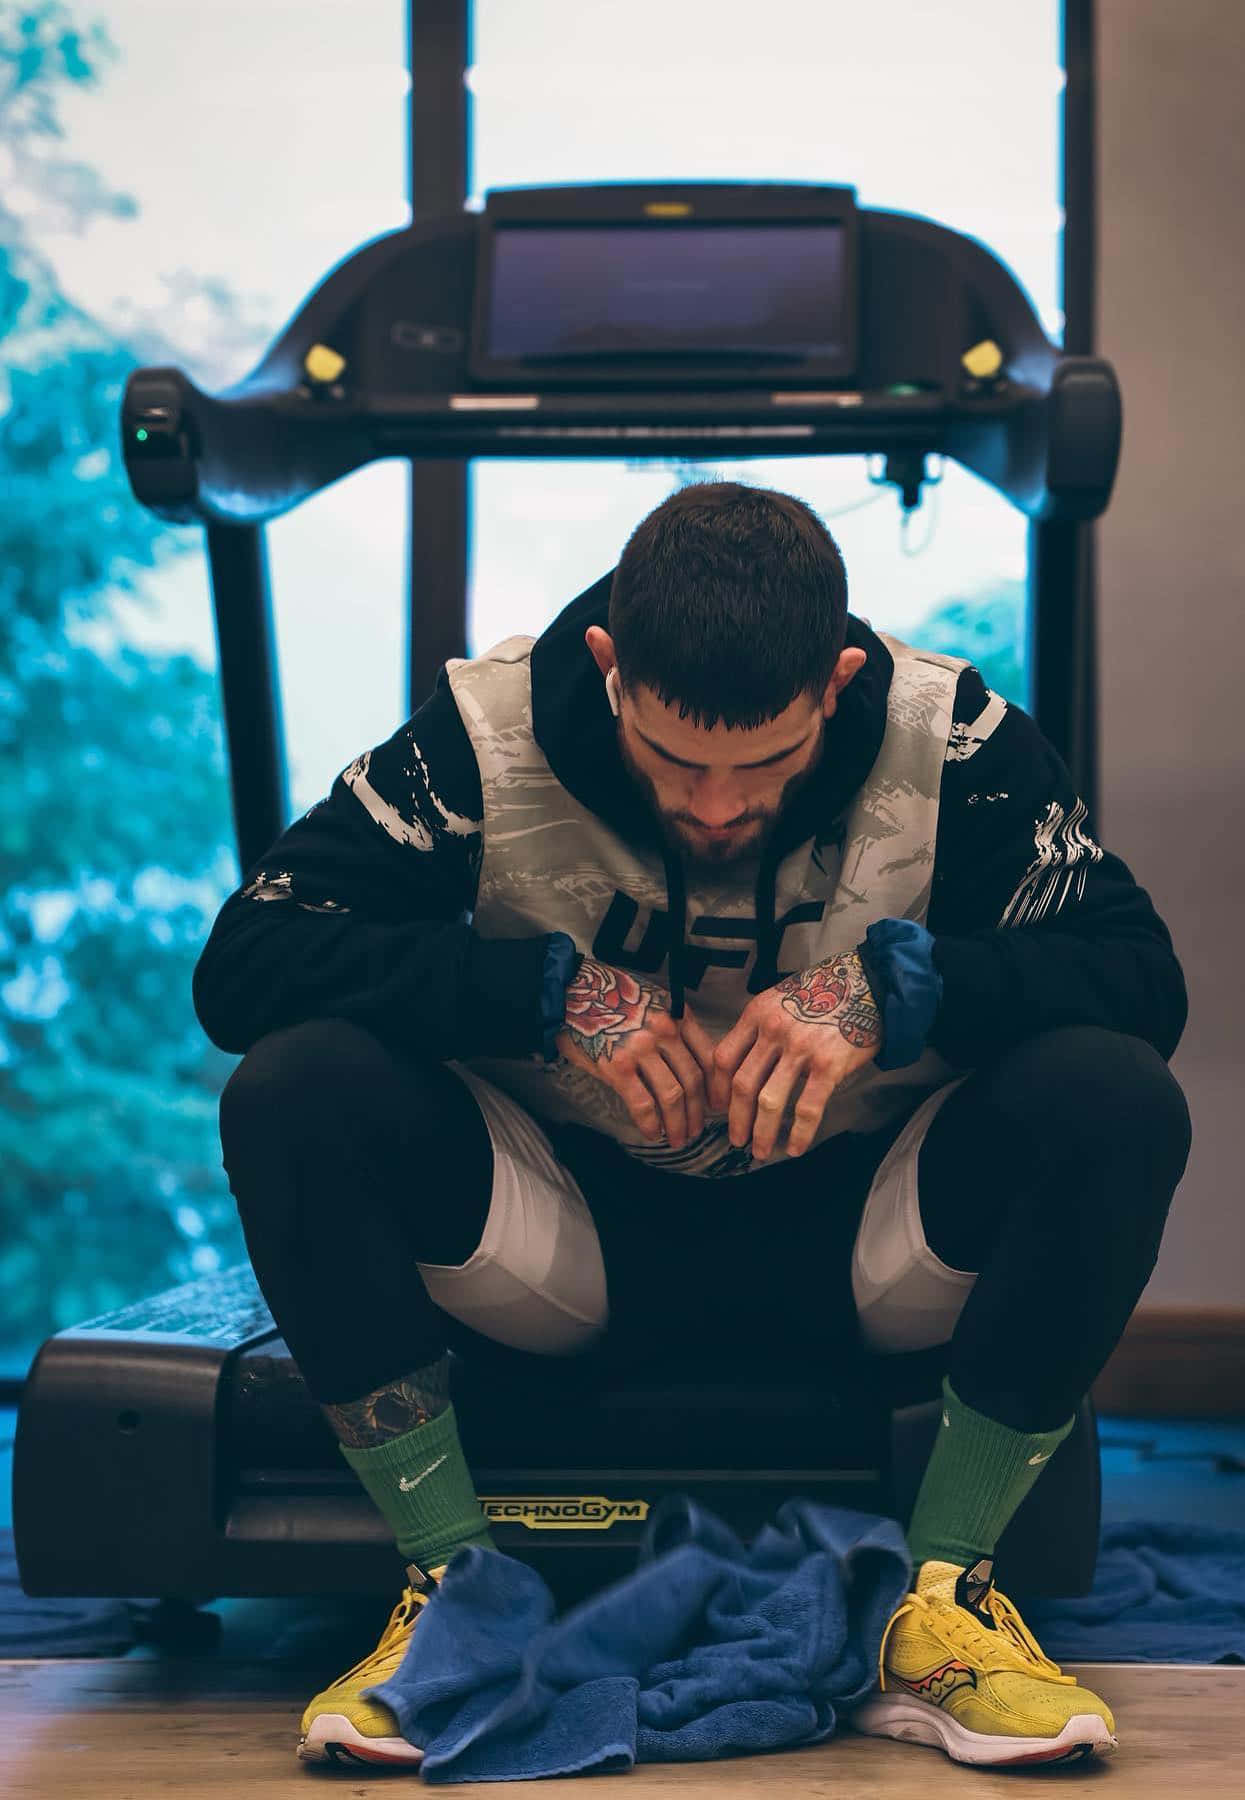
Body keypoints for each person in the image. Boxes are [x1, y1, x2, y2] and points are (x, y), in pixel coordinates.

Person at [197, 481, 1191, 1773]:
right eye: (676, 761)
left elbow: (1143, 982)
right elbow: (245, 968)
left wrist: (896, 988)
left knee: (1112, 1091)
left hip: (868, 1234)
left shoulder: (956, 739)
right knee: (298, 1082)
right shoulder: (477, 737)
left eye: (763, 766)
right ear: (610, 670)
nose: (719, 809)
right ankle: (452, 1595)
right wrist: (539, 995)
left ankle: (944, 1604)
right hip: (566, 1239)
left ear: (836, 682)